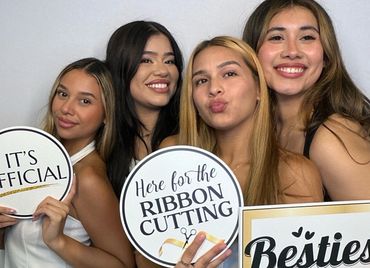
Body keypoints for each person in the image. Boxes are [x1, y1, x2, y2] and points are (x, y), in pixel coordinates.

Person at [161, 36, 323, 268]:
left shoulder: (295, 174)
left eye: (229, 74)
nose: (214, 88)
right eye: (201, 80)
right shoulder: (171, 156)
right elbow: (146, 258)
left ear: (259, 88)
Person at [0, 58, 135, 267]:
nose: (66, 108)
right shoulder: (31, 161)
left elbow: (123, 265)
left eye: (85, 101)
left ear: (107, 115)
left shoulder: (87, 178)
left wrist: (58, 241)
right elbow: (16, 246)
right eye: (63, 94)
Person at [242, 0, 370, 201]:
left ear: (326, 56)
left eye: (307, 37)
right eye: (276, 37)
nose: (292, 51)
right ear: (252, 55)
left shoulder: (330, 138)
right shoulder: (263, 129)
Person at [105, 21, 183, 267]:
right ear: (121, 67)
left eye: (169, 61)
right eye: (146, 60)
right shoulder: (103, 147)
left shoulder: (190, 143)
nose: (162, 70)